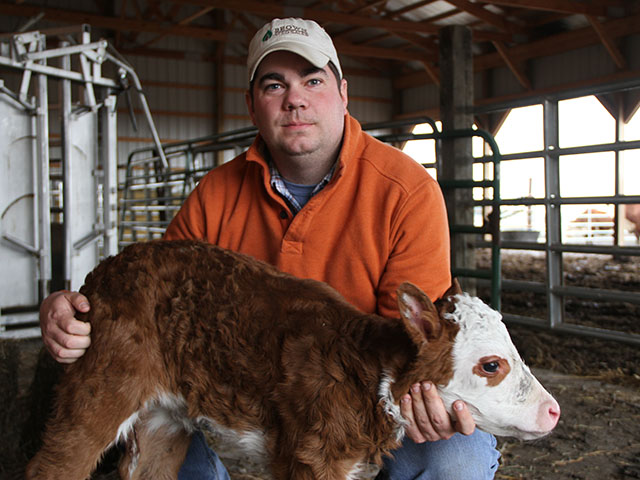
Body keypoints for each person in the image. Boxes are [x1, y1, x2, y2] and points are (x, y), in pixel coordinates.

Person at [39, 17, 500, 479]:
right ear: (252, 105)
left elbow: (411, 346)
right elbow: (155, 301)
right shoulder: (217, 193)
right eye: (274, 85)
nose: (295, 99)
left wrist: (423, 403)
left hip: (358, 402)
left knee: (456, 460)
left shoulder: (406, 191)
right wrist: (70, 310)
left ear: (343, 92)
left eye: (312, 80)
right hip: (246, 396)